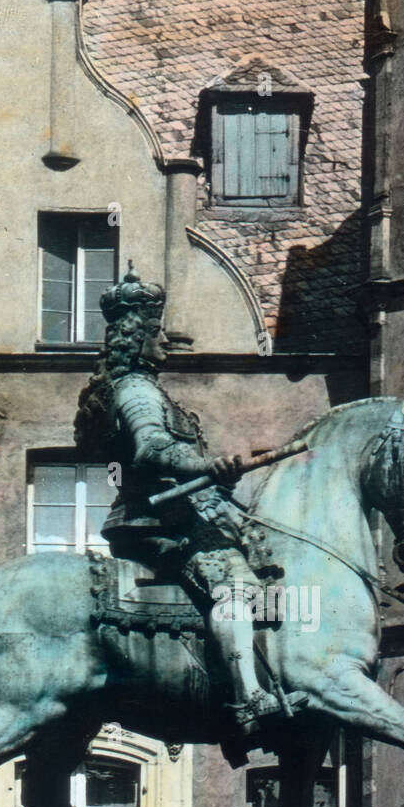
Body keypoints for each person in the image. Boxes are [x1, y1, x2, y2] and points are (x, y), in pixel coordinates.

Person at [74, 268, 285, 738]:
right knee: (232, 583)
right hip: (157, 522)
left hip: (176, 515)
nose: (166, 342)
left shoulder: (147, 389)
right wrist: (207, 465)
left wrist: (218, 476)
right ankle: (249, 696)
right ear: (139, 336)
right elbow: (151, 449)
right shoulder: (136, 390)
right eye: (158, 333)